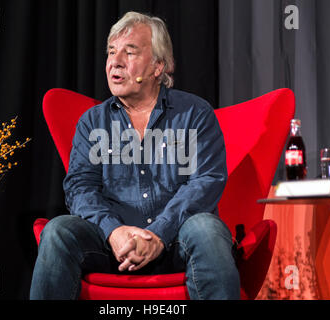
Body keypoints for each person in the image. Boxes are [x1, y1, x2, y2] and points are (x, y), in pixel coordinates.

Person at [30, 11, 240, 300]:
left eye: (129, 52)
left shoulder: (195, 113)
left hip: (178, 239)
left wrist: (159, 234)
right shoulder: (92, 122)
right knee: (57, 231)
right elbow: (81, 188)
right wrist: (114, 232)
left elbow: (206, 181)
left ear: (158, 66)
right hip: (110, 244)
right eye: (112, 52)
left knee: (207, 229)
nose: (115, 62)